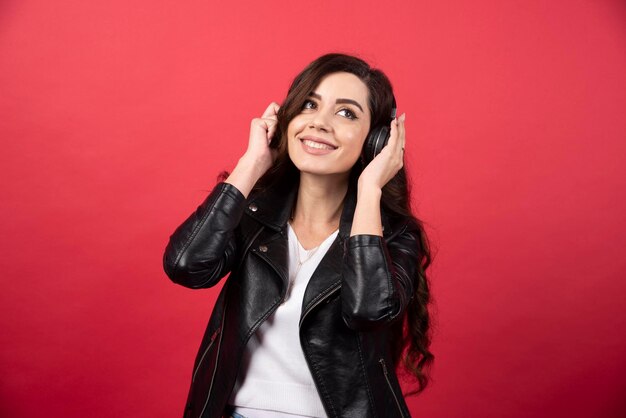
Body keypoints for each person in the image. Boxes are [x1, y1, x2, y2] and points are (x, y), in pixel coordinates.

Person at [163, 53, 434, 418]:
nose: (319, 123)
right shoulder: (252, 215)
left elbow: (368, 311)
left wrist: (371, 188)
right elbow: (185, 266)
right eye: (309, 105)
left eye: (346, 113)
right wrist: (252, 164)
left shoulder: (393, 236)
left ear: (377, 141)